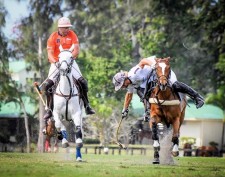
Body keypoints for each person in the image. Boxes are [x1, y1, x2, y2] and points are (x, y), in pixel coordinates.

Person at [112, 56, 204, 121]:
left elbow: (143, 61)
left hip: (160, 70)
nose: (123, 87)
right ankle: (148, 112)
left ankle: (197, 97)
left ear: (125, 79)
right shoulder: (130, 84)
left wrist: (152, 64)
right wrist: (125, 109)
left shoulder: (133, 73)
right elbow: (129, 96)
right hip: (151, 79)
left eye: (122, 85)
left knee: (174, 85)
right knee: (143, 94)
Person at [43, 17, 95, 123]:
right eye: (65, 27)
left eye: (68, 27)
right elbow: (50, 53)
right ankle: (49, 109)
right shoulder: (53, 37)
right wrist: (56, 62)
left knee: (83, 82)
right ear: (59, 28)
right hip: (56, 63)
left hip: (70, 62)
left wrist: (70, 59)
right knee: (47, 85)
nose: (67, 29)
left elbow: (76, 50)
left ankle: (87, 105)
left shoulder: (72, 35)